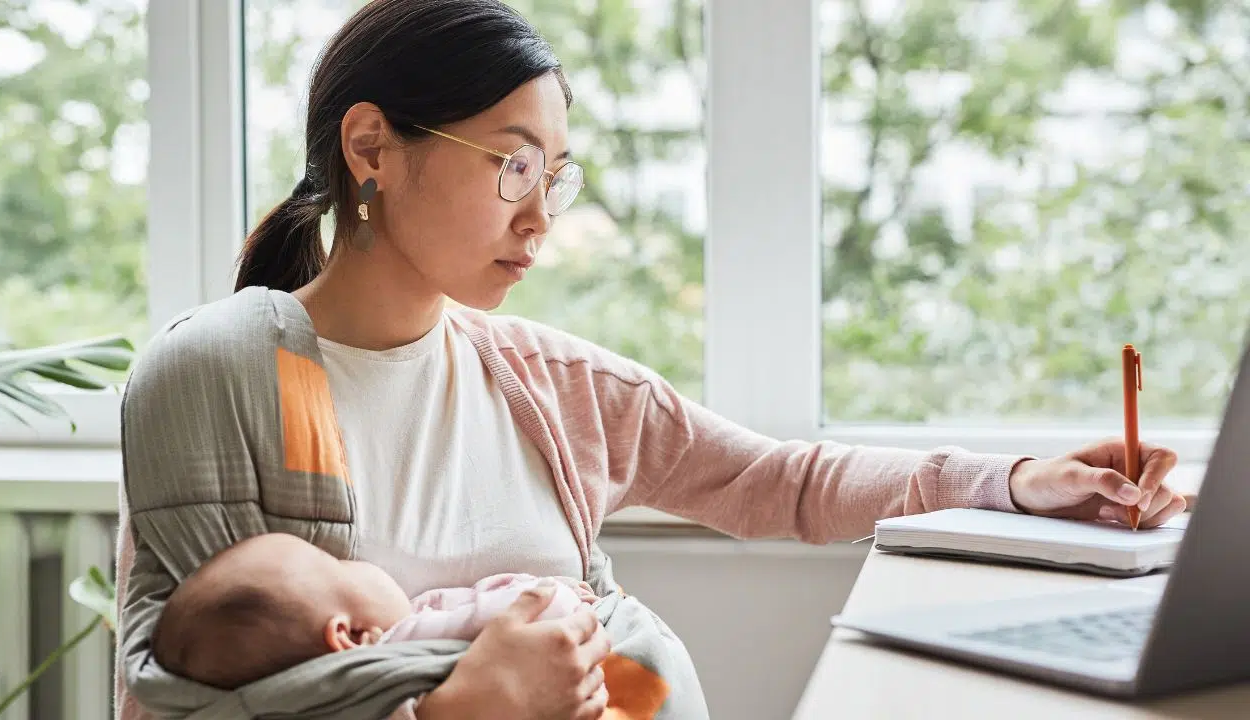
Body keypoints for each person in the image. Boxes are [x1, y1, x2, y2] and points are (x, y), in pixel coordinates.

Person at [113, 1, 1188, 719]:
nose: (540, 217)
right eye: (511, 166)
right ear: (369, 147)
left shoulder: (542, 384)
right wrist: (447, 712)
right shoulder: (222, 378)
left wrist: (1014, 485)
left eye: (557, 175)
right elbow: (163, 701)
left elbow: (777, 481)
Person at [150, 533, 595, 691]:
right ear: (352, 635)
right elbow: (531, 618)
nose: (352, 560)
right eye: (337, 566)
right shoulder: (405, 645)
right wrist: (554, 590)